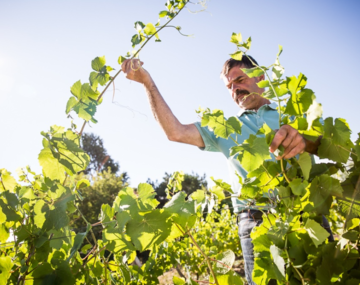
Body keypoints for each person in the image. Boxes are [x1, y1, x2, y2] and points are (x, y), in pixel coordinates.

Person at [121, 56, 329, 284]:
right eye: (229, 86)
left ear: (260, 76)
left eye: (239, 80)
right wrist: (147, 83)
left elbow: (325, 146)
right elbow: (175, 132)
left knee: (322, 277)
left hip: (305, 211)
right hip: (256, 219)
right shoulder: (225, 127)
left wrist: (304, 140)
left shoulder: (292, 111)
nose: (235, 89)